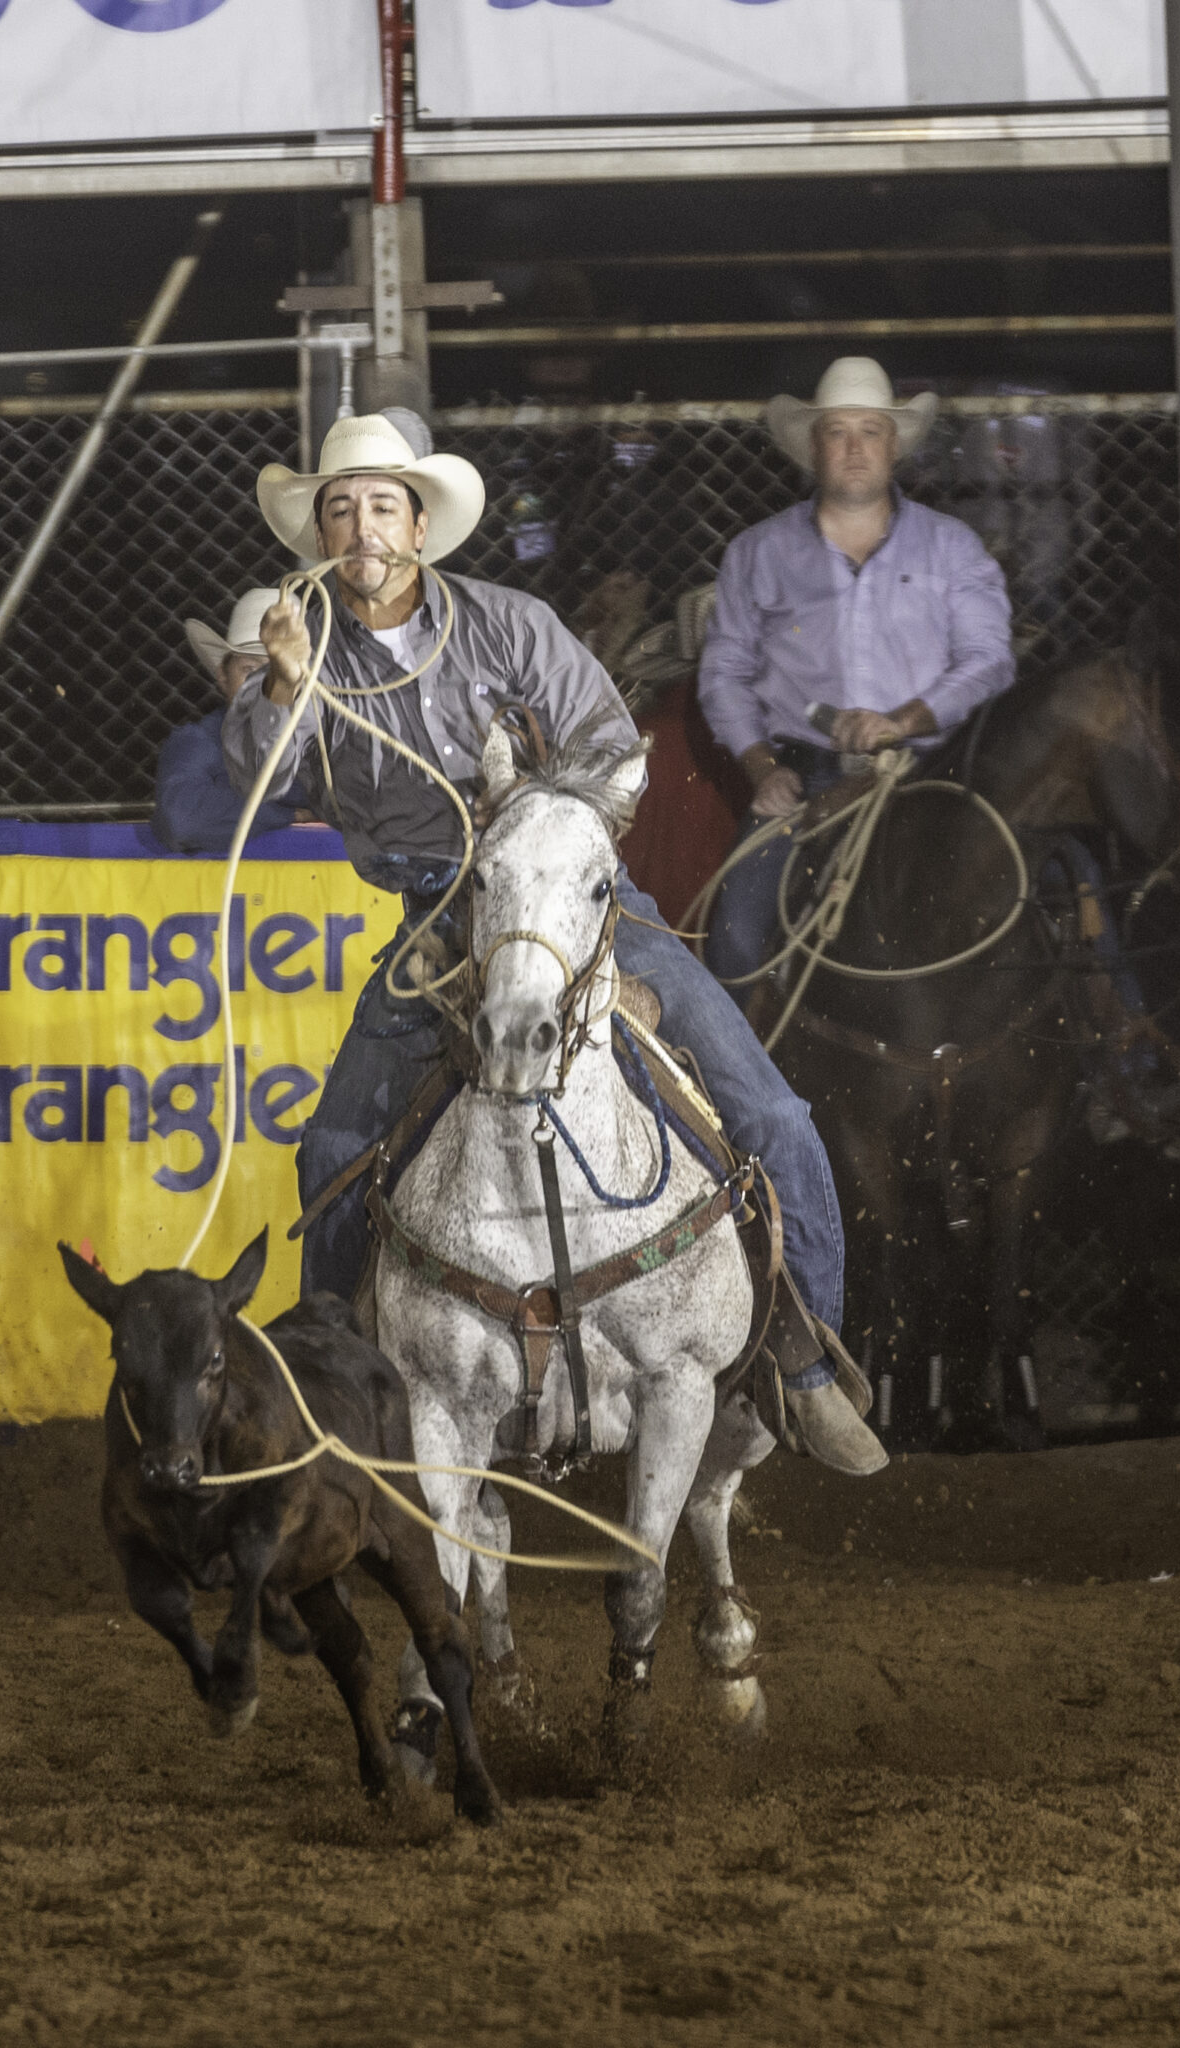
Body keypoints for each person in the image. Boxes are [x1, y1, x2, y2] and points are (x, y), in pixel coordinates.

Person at [225, 411, 884, 1474]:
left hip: (579, 901)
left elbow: (609, 748)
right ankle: (341, 1396)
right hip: (438, 922)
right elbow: (260, 774)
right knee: (335, 1148)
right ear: (320, 533)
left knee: (773, 1112)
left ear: (421, 523)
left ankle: (805, 1370)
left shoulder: (508, 624)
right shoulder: (306, 652)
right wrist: (286, 685)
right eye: (339, 509)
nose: (361, 527)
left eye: (381, 505)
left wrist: (527, 817)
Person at [695, 357, 1014, 981]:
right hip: (805, 781)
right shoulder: (759, 552)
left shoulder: (950, 547)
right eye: (837, 431)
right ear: (813, 447)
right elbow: (724, 673)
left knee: (1052, 893)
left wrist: (904, 720)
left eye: (870, 430)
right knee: (734, 946)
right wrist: (762, 769)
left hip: (932, 775)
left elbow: (990, 658)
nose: (854, 448)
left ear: (894, 445)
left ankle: (1128, 1042)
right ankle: (736, 1079)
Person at [155, 587, 305, 854]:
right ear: (222, 675)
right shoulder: (198, 741)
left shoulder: (328, 743)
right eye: (249, 669)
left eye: (278, 669)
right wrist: (292, 814)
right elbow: (181, 820)